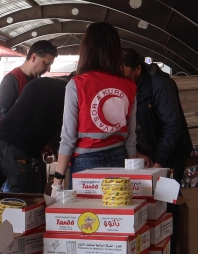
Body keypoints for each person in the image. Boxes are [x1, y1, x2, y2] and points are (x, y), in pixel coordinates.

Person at [55, 23, 148, 182]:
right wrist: (134, 172)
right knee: (115, 207)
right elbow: (130, 135)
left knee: (86, 208)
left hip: (86, 161)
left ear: (87, 49)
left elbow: (68, 137)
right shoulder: (129, 85)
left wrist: (57, 177)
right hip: (119, 158)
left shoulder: (77, 84)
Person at [122, 49, 192, 254]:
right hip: (145, 153)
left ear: (137, 69)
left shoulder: (161, 86)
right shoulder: (127, 85)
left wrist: (159, 164)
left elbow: (172, 129)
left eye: (125, 75)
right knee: (142, 203)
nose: (122, 80)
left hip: (170, 155)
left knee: (166, 204)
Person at [0, 76, 68, 194]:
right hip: (20, 151)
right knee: (27, 205)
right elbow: (64, 135)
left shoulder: (38, 82)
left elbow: (27, 114)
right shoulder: (68, 93)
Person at [0, 40, 57, 118]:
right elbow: (4, 117)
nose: (48, 69)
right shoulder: (11, 80)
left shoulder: (36, 81)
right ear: (34, 57)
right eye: (45, 63)